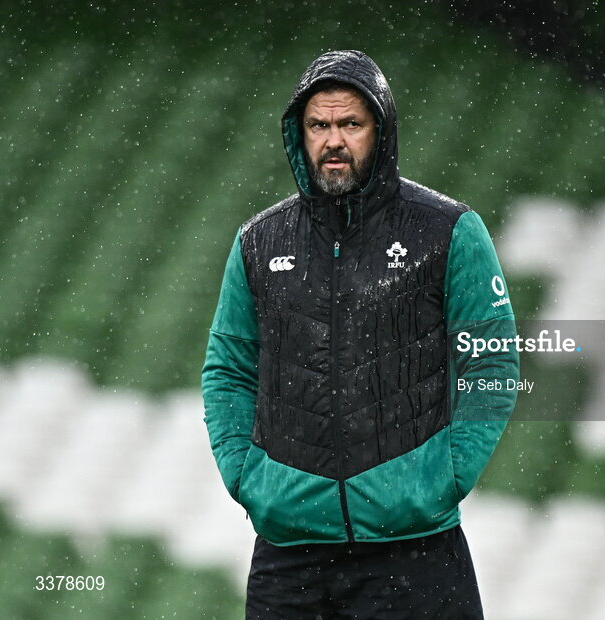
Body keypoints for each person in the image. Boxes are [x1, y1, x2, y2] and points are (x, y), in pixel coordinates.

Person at [201, 50, 519, 619]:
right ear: (299, 136)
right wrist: (248, 477)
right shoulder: (258, 242)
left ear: (382, 129)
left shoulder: (448, 230)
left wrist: (443, 478)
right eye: (318, 126)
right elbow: (228, 369)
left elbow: (492, 360)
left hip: (415, 550)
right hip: (291, 555)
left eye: (351, 124)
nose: (333, 141)